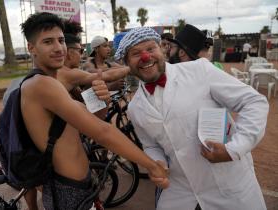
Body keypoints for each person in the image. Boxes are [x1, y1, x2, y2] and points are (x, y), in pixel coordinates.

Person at [19, 13, 169, 210]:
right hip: (67, 190)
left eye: (61, 40)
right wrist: (151, 165)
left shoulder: (56, 78)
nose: (58, 48)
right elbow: (102, 131)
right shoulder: (41, 84)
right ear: (31, 48)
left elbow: (86, 125)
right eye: (48, 42)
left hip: (78, 185)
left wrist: (103, 102)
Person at [114, 27, 268, 210]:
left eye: (150, 49)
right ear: (127, 63)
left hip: (230, 188)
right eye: (136, 53)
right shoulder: (135, 108)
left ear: (162, 49)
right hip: (180, 192)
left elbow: (254, 102)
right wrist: (157, 163)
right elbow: (151, 145)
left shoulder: (199, 70)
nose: (146, 57)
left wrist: (234, 149)